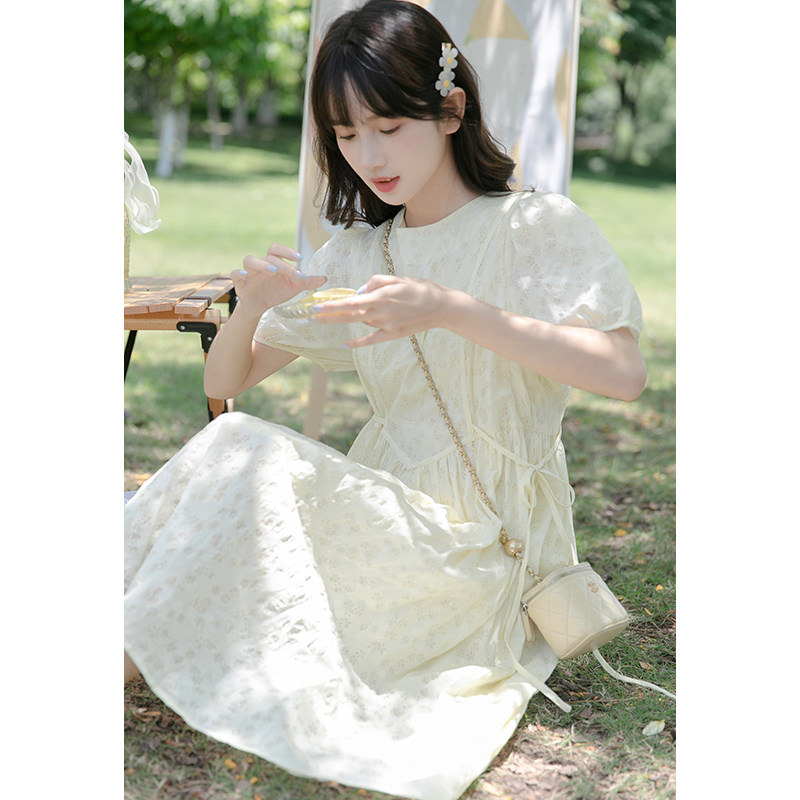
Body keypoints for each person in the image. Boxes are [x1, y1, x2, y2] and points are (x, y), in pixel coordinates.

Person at [124, 2, 648, 798]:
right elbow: (224, 384)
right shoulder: (363, 253)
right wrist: (253, 307)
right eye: (345, 134)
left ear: (451, 110)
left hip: (483, 549)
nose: (368, 155)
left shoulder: (535, 226)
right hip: (382, 520)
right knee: (224, 459)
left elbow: (623, 373)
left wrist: (449, 309)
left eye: (388, 126)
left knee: (238, 462)